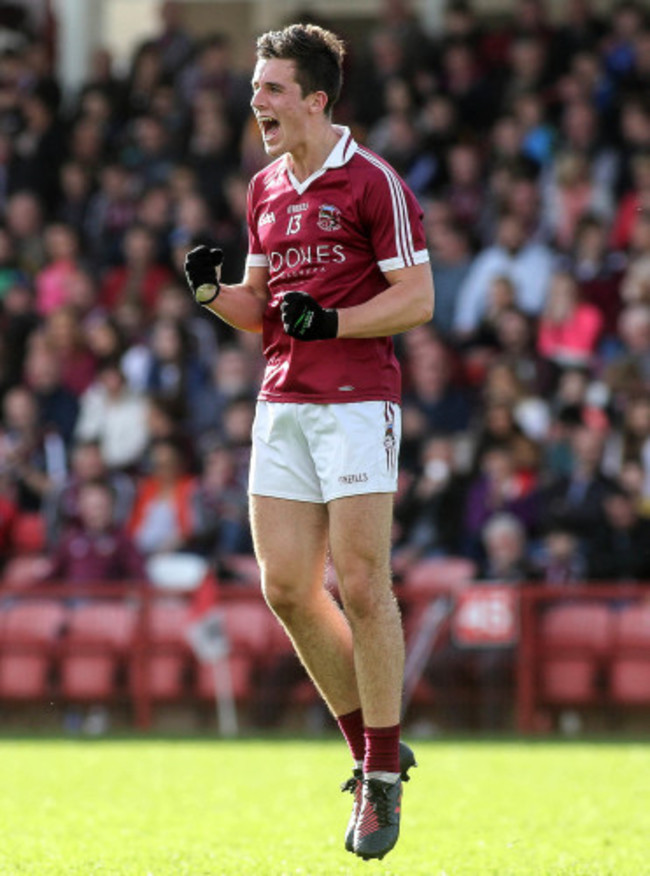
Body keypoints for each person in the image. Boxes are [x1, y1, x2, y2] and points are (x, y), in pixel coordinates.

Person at [182, 23, 433, 861]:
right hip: (281, 403)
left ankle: (384, 776)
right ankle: (372, 753)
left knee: (362, 585)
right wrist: (216, 294)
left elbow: (418, 298)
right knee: (287, 588)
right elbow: (261, 308)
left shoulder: (374, 182)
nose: (258, 102)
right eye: (256, 89)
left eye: (273, 89)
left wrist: (332, 319)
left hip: (359, 402)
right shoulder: (264, 189)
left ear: (316, 99)